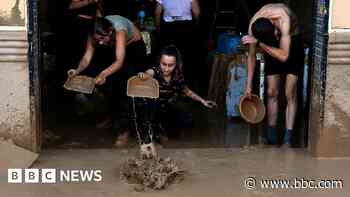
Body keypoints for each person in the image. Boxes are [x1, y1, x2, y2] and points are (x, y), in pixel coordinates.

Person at [68, 15, 147, 140]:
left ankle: (124, 129)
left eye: (102, 38)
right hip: (113, 46)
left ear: (110, 31)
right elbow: (86, 58)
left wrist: (104, 74)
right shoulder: (95, 33)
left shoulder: (120, 30)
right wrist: (77, 70)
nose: (99, 42)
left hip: (133, 47)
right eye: (97, 39)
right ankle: (110, 117)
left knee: (124, 85)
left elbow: (119, 61)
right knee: (107, 83)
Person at [242, 3, 304, 147]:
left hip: (292, 45)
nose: (276, 37)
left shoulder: (284, 19)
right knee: (271, 92)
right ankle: (272, 136)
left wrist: (260, 44)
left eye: (275, 34)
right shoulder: (254, 26)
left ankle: (287, 139)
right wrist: (248, 86)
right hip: (267, 44)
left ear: (273, 23)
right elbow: (251, 57)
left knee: (289, 92)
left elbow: (284, 56)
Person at [137, 45, 216, 144]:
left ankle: (164, 130)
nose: (166, 69)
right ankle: (151, 133)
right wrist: (143, 75)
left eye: (170, 65)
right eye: (163, 64)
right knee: (150, 109)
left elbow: (187, 91)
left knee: (187, 119)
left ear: (176, 64)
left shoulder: (177, 76)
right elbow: (148, 73)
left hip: (167, 107)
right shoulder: (155, 71)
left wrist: (203, 101)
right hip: (153, 108)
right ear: (159, 62)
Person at [154, 0, 201, 88]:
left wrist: (158, 27)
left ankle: (167, 85)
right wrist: (196, 25)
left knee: (168, 56)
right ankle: (185, 86)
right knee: (186, 57)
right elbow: (197, 12)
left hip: (169, 28)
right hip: (186, 27)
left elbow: (157, 12)